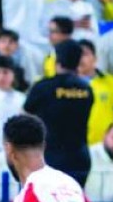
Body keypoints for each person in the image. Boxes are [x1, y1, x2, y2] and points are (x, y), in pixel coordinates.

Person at [24, 40, 94, 184]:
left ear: (57, 60)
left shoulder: (42, 87)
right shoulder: (86, 89)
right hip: (79, 158)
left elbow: (24, 119)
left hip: (49, 158)